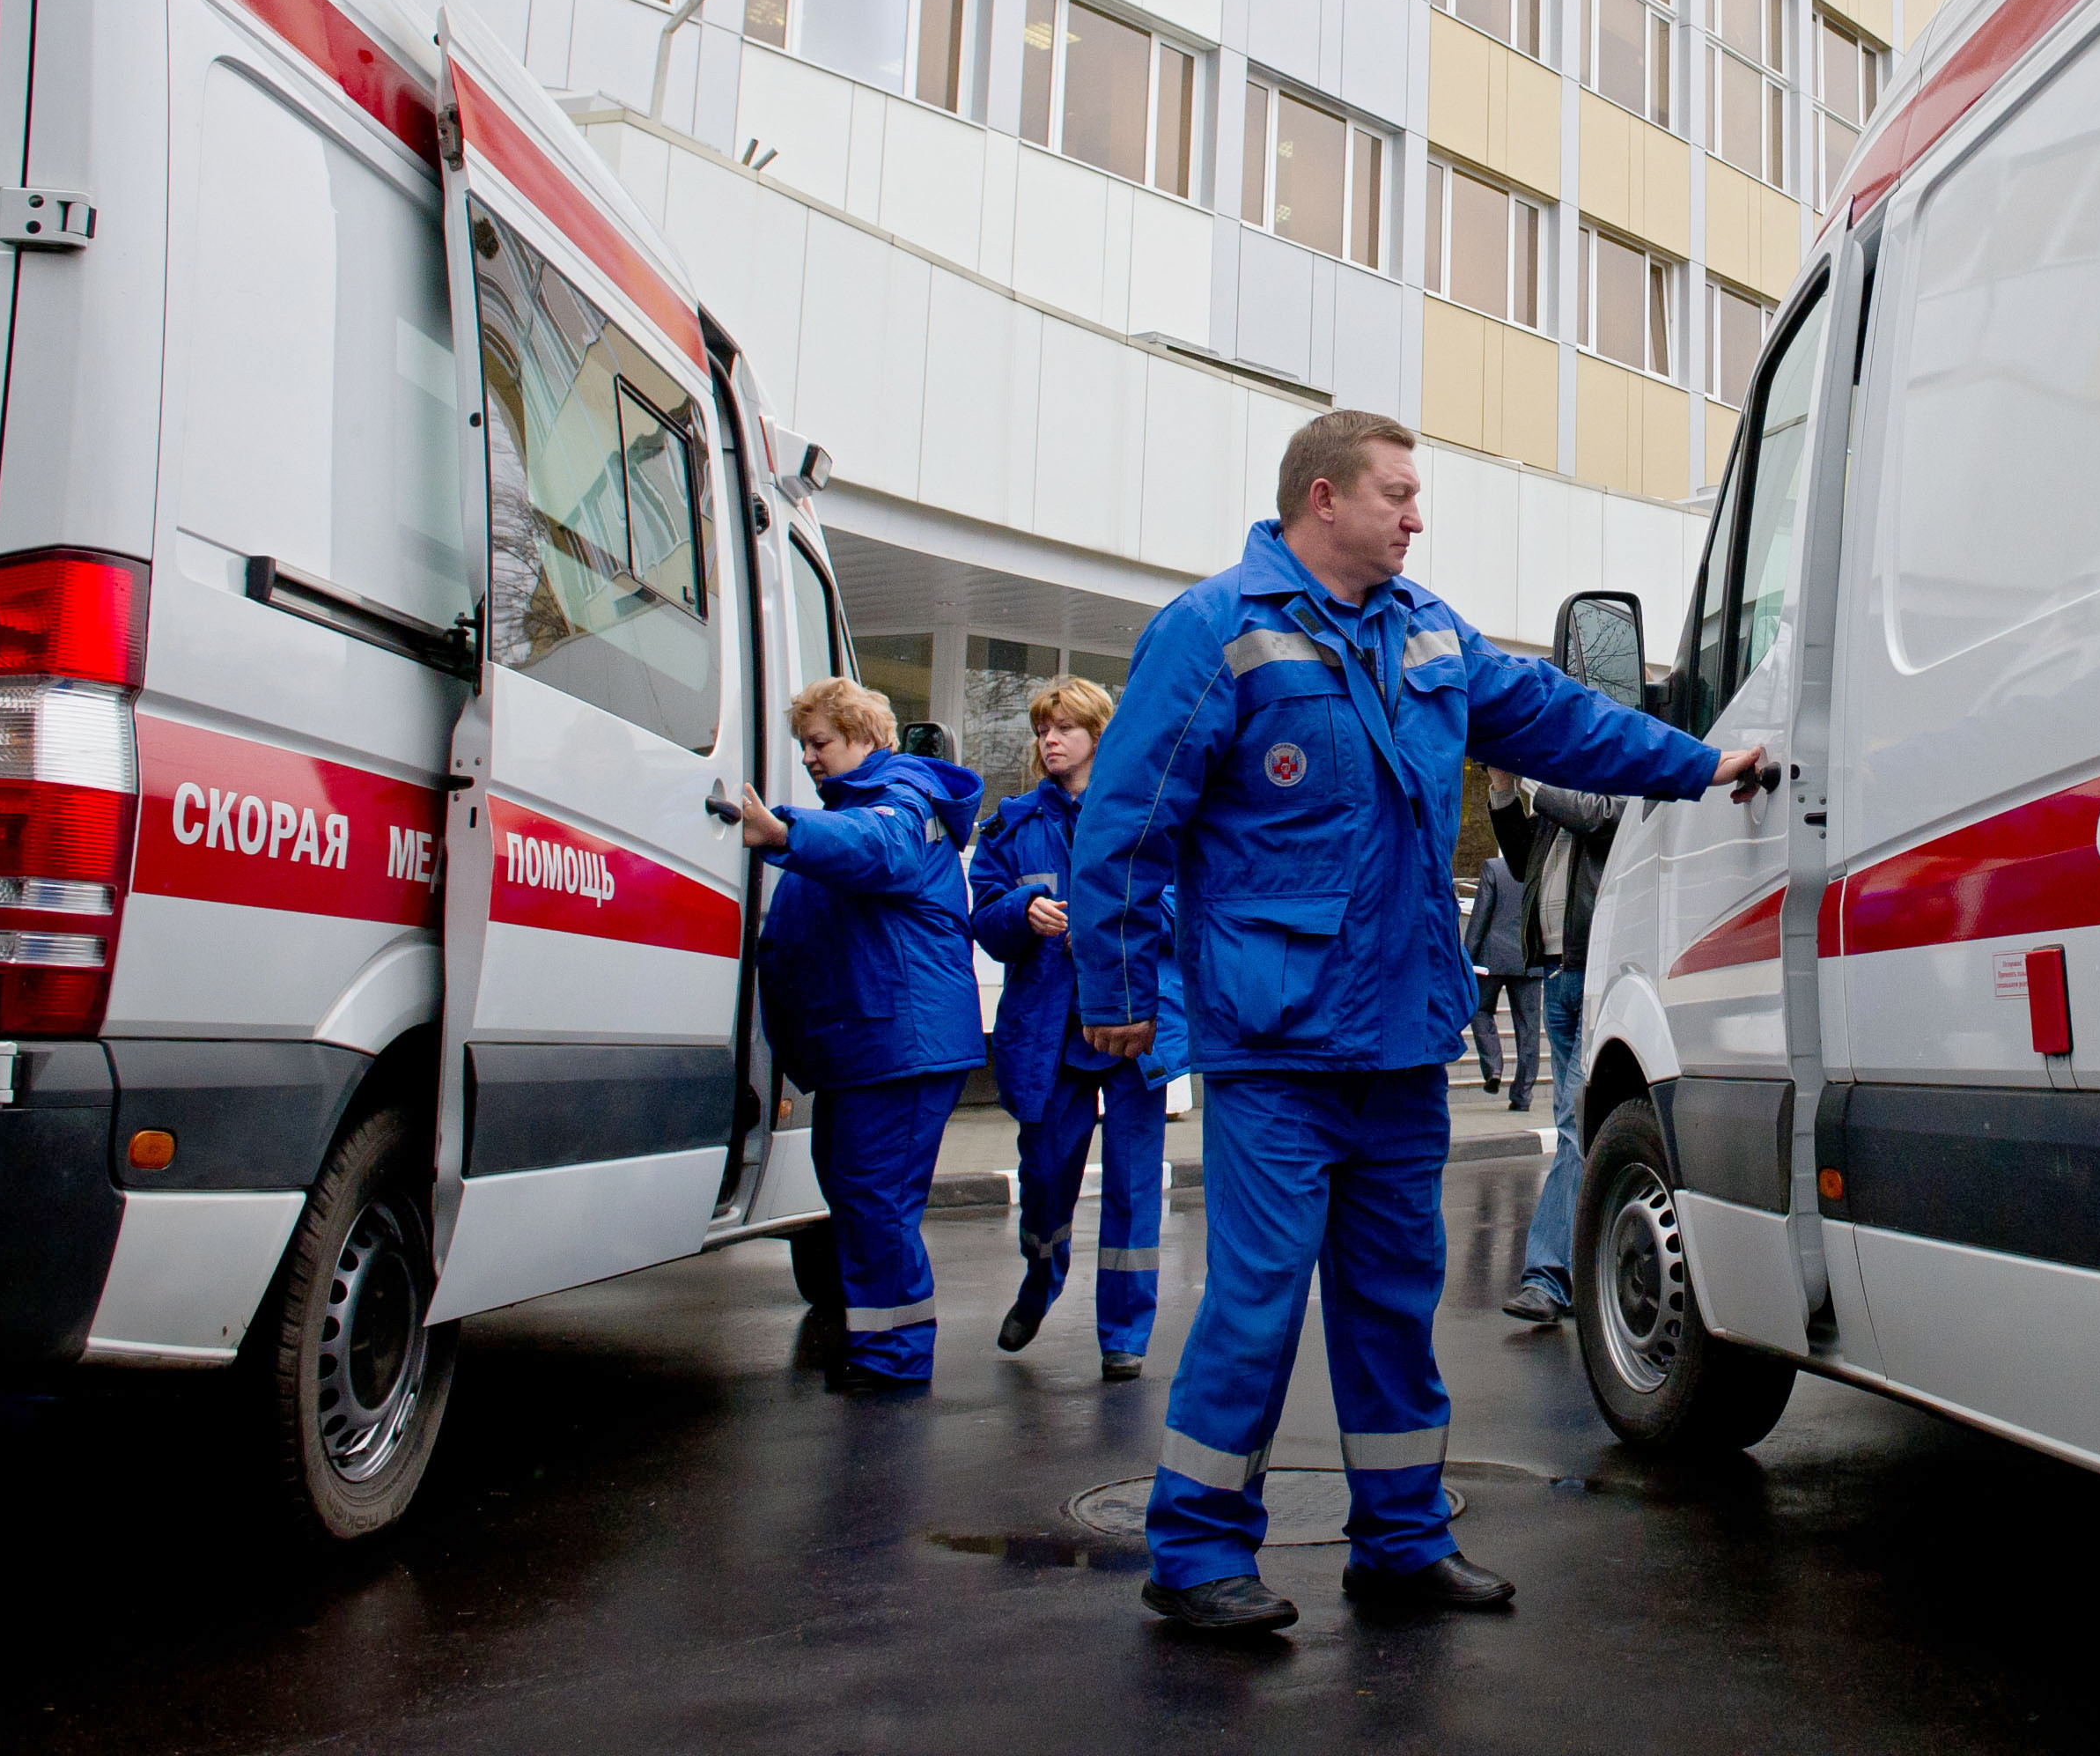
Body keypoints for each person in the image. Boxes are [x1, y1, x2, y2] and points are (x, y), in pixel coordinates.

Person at [1061, 409, 1766, 1634]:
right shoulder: (1215, 629)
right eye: (1397, 491)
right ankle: (1196, 1553)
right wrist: (1119, 996)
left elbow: (1560, 719)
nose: (1416, 512)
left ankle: (1400, 1539)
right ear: (1322, 499)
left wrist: (1701, 765)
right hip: (1276, 1044)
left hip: (1398, 1040)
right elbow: (1127, 826)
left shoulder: (1425, 630)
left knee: (1395, 1295)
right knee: (1259, 1297)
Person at [738, 678, 986, 1396]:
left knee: (876, 1201)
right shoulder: (855, 805)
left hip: (900, 1047)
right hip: (868, 1047)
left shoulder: (900, 791)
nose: (811, 758)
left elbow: (885, 847)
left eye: (821, 742)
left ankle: (895, 1360)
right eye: (804, 745)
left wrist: (787, 834)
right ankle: (878, 1345)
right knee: (857, 1196)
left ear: (865, 737)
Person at [969, 677, 1192, 1377]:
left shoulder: (1146, 813)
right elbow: (984, 919)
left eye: (1064, 727)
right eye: (1043, 729)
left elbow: (1186, 910)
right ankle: (1040, 1282)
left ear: (1099, 734)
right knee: (1046, 1175)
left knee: (1133, 1187)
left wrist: (1113, 917)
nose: (1050, 740)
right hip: (1050, 1033)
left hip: (1133, 1028)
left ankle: (1125, 1335)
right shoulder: (1013, 822)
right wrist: (1022, 911)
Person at [1494, 774, 1624, 1323]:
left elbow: (1600, 815)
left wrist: (1532, 777)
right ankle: (1587, 1269)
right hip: (1555, 969)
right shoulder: (1555, 798)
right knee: (1581, 1128)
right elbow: (1525, 865)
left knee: (1574, 1125)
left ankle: (1547, 1276)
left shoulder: (1611, 775)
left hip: (1597, 971)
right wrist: (1504, 794)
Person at [1463, 825, 1538, 1107]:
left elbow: (1480, 915)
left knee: (1480, 1009)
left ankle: (1494, 1067)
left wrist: (1467, 958)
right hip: (1529, 959)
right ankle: (1522, 1096)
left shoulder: (1493, 868)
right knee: (1529, 1029)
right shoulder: (1540, 870)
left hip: (1491, 958)